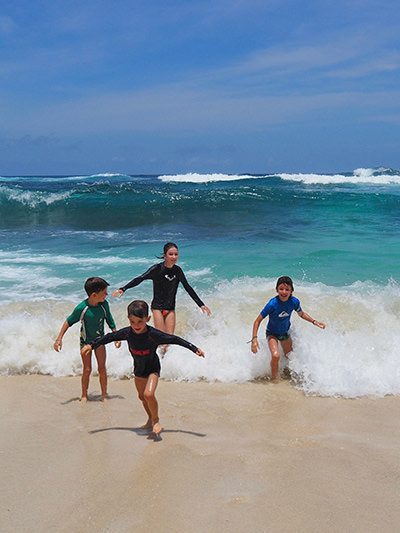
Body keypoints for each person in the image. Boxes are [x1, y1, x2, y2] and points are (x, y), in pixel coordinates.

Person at [81, 300, 205, 435]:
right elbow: (109, 337)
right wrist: (91, 345)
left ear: (148, 319)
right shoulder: (127, 333)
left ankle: (156, 420)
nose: (136, 325)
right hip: (138, 370)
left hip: (152, 368)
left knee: (148, 394)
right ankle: (150, 419)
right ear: (128, 319)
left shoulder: (154, 335)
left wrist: (194, 348)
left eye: (140, 321)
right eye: (132, 322)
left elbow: (174, 339)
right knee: (142, 397)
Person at [112, 242, 211, 337]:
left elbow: (187, 287)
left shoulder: (178, 271)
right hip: (157, 308)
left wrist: (201, 304)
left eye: (176, 254)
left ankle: (167, 355)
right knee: (161, 337)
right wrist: (124, 288)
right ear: (165, 255)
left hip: (170, 307)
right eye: (170, 254)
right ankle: (156, 353)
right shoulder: (157, 269)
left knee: (170, 337)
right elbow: (140, 278)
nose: (173, 257)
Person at [54, 277, 120, 402]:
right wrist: (59, 339)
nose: (106, 295)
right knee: (87, 369)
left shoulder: (104, 305)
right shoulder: (82, 308)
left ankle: (104, 394)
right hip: (85, 341)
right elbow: (69, 321)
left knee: (102, 368)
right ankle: (84, 395)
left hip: (100, 341)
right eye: (104, 292)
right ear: (94, 295)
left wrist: (115, 335)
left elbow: (110, 320)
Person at [251, 276, 325, 381]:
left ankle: (292, 376)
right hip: (271, 333)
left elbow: (302, 314)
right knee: (276, 356)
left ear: (291, 291)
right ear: (277, 290)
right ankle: (274, 379)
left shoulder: (294, 302)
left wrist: (315, 322)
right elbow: (257, 321)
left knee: (290, 357)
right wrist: (254, 339)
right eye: (281, 289)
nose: (284, 292)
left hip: (284, 333)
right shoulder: (272, 304)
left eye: (287, 289)